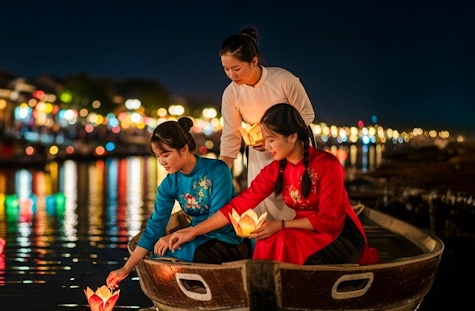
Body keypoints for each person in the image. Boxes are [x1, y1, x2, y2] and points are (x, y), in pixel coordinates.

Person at [168, 104, 379, 266]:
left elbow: (329, 220)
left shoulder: (327, 165)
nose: (265, 147)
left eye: (271, 140)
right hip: (304, 232)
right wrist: (193, 232)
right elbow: (238, 205)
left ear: (292, 136)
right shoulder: (276, 169)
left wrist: (281, 225)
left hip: (340, 235)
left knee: (282, 238)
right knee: (267, 240)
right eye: (264, 139)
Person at [106, 117, 251, 289]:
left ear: (184, 149)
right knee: (159, 254)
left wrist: (184, 233)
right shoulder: (169, 184)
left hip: (226, 239)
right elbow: (155, 227)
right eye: (158, 156)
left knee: (194, 253)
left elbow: (219, 217)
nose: (161, 162)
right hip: (194, 238)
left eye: (166, 154)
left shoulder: (218, 171)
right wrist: (126, 268)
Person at [219, 26, 315, 222]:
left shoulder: (283, 79)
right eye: (226, 69)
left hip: (294, 151)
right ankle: (266, 249)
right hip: (260, 156)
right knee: (263, 206)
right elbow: (231, 135)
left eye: (236, 68)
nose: (231, 74)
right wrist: (220, 172)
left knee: (298, 199)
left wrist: (275, 137)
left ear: (254, 61)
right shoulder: (231, 93)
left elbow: (306, 114)